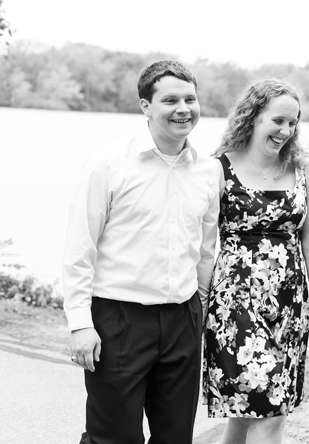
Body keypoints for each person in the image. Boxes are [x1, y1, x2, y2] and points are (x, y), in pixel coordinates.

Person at [63, 60, 220, 444]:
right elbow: (79, 247)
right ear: (145, 107)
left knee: (174, 437)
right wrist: (81, 323)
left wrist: (198, 306)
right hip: (119, 319)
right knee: (112, 437)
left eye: (190, 99)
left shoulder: (208, 170)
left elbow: (206, 248)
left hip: (183, 319)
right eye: (170, 100)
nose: (183, 108)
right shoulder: (109, 164)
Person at [203, 78, 309, 443]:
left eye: (293, 122)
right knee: (269, 407)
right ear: (253, 115)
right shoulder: (218, 169)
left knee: (248, 412)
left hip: (289, 308)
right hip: (236, 304)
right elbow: (201, 246)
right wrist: (198, 305)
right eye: (278, 120)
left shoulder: (306, 169)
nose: (285, 130)